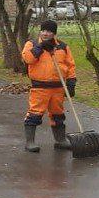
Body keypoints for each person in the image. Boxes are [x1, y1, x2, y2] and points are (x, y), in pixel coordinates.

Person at [20, 20, 77, 153]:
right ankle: (30, 142)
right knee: (35, 113)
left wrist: (71, 81)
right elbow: (28, 59)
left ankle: (60, 140)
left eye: (49, 31)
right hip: (40, 88)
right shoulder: (31, 44)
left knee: (58, 115)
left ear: (54, 33)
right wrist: (40, 47)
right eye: (43, 31)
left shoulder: (62, 47)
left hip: (58, 88)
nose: (45, 33)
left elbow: (70, 65)